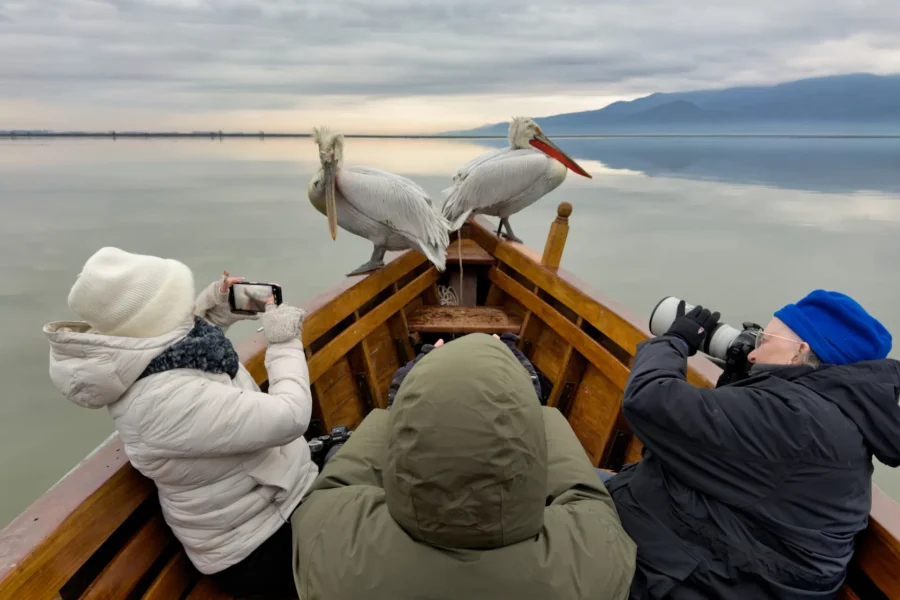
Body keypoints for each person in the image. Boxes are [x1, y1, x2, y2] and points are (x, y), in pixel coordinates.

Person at [43, 247, 316, 599]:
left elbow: (181, 353)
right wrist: (284, 342)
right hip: (260, 543)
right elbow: (291, 416)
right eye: (179, 301)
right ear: (157, 319)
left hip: (277, 500)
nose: (189, 307)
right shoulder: (161, 402)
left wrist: (214, 308)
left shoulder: (152, 357)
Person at [290, 332, 637, 600]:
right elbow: (583, 493)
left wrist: (403, 401)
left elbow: (338, 484)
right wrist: (530, 402)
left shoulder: (330, 546)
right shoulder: (592, 559)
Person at [603, 289, 900, 599]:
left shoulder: (794, 419)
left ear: (798, 352)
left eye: (765, 341)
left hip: (689, 580)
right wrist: (740, 380)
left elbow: (648, 401)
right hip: (713, 563)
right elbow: (713, 447)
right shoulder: (829, 416)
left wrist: (674, 341)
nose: (753, 354)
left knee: (553, 460)